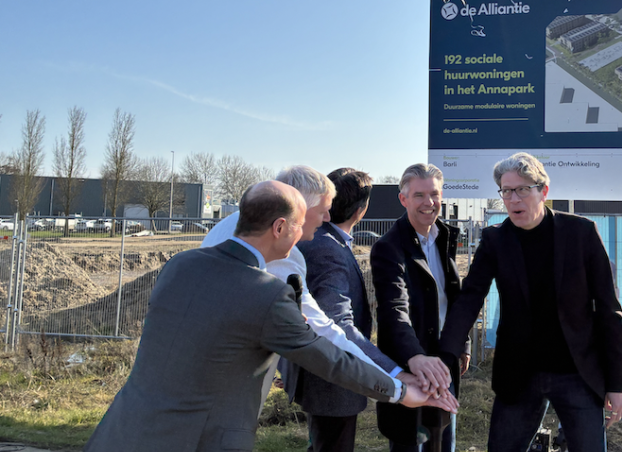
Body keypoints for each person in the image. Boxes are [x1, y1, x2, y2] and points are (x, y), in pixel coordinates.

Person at [85, 181, 457, 452]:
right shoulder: (267, 294)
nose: (306, 237)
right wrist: (399, 391)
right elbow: (329, 358)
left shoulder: (180, 265)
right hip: (200, 441)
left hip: (120, 432)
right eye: (300, 226)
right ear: (279, 228)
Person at [439, 152, 622, 452]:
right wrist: (445, 357)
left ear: (544, 191)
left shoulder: (581, 233)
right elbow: (469, 299)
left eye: (523, 190)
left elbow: (609, 309)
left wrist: (616, 385)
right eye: (506, 191)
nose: (514, 199)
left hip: (577, 373)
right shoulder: (495, 240)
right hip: (519, 374)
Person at [201, 166, 397, 413]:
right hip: (230, 383)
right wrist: (393, 382)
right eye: (323, 210)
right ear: (299, 206)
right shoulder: (282, 251)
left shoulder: (233, 224)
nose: (327, 218)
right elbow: (322, 328)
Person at [296, 168, 402, 452]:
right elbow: (338, 324)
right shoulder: (328, 249)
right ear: (361, 210)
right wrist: (393, 372)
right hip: (333, 381)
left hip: (324, 376)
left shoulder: (320, 239)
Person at [371, 163, 469, 451]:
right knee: (410, 443)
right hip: (410, 366)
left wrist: (462, 343)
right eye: (419, 195)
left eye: (434, 194)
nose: (429, 202)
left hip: (444, 362)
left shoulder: (444, 238)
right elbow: (394, 310)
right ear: (403, 199)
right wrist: (416, 357)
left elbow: (453, 299)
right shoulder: (389, 247)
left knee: (444, 441)